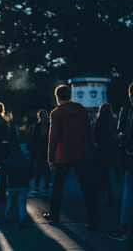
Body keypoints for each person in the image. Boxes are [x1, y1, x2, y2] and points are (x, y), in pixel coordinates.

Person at [43, 84, 98, 230]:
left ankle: (54, 215)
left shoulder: (56, 113)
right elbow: (89, 132)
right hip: (82, 153)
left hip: (63, 155)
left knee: (57, 187)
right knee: (87, 188)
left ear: (58, 97)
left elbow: (53, 137)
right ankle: (93, 218)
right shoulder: (81, 109)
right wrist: (92, 152)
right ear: (70, 95)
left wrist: (51, 158)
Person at [108, 82, 133, 242]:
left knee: (128, 193)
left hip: (131, 157)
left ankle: (124, 229)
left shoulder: (129, 111)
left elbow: (127, 137)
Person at [2, 144, 35, 229]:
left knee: (10, 202)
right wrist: (28, 179)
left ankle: (6, 217)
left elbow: (3, 170)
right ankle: (22, 220)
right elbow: (32, 171)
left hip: (12, 185)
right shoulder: (26, 160)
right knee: (22, 204)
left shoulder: (10, 160)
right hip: (24, 185)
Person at [93, 103, 117, 205]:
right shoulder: (113, 121)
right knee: (106, 174)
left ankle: (98, 192)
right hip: (111, 151)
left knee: (101, 173)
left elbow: (95, 136)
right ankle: (109, 195)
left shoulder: (99, 121)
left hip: (101, 150)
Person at [29, 109, 51, 196]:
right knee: (47, 170)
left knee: (38, 170)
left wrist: (32, 151)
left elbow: (33, 139)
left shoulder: (36, 125)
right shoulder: (50, 125)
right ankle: (46, 188)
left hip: (38, 151)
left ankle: (37, 188)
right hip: (47, 150)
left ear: (39, 116)